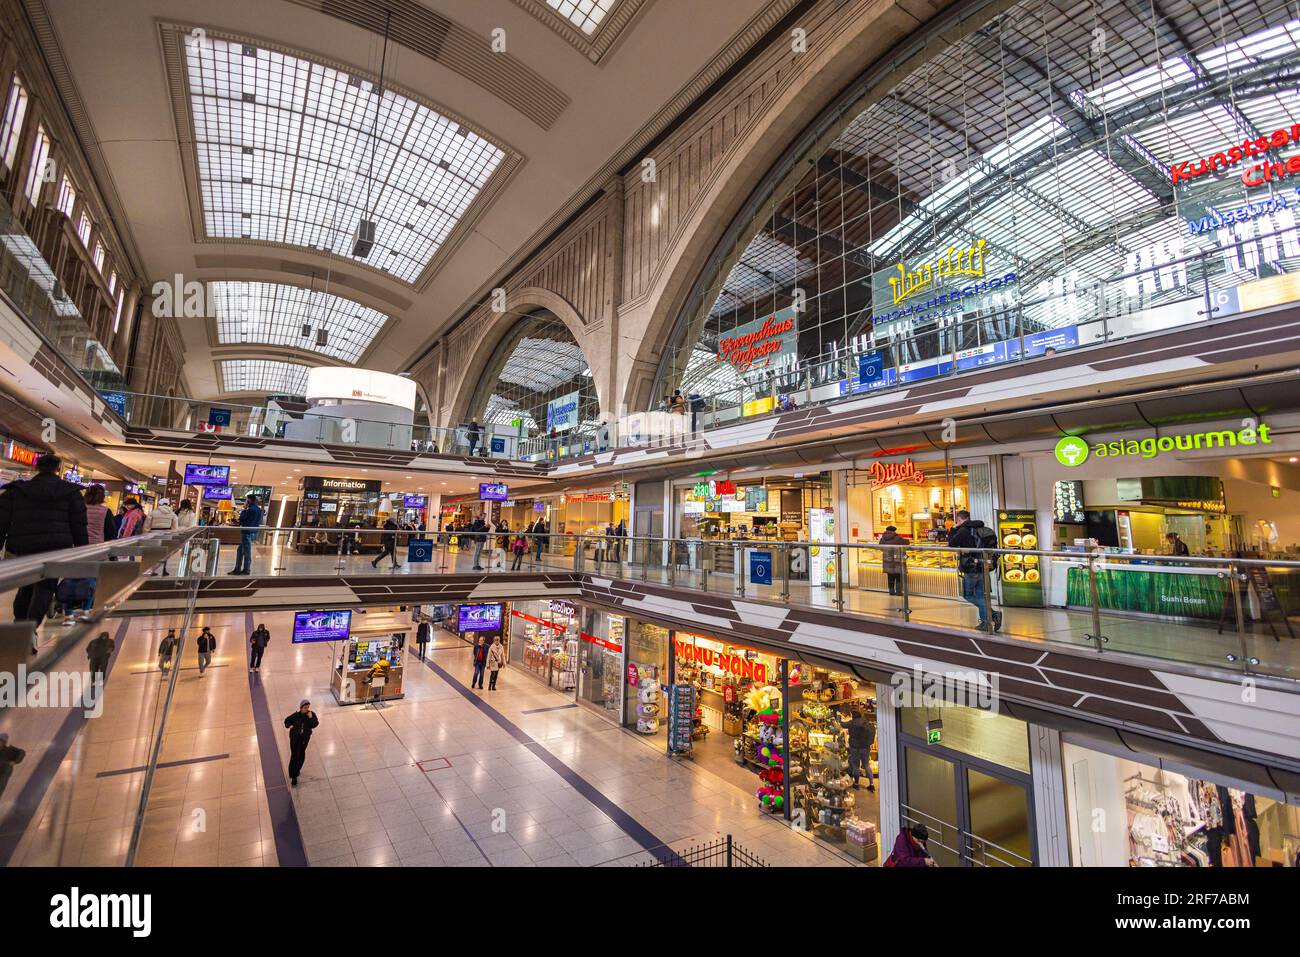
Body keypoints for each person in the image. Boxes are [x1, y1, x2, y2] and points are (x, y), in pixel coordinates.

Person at [0, 453, 88, 629]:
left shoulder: (17, 491)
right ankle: (30, 629)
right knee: (46, 586)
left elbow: (1, 521)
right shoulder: (70, 493)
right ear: (58, 469)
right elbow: (79, 525)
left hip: (24, 546)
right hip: (56, 547)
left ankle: (20, 626)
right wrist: (82, 551)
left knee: (25, 586)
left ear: (36, 468)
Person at [947, 510, 1001, 632]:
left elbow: (951, 544)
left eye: (958, 521)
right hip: (984, 567)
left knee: (968, 595)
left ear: (959, 520)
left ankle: (993, 615)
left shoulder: (963, 530)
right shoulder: (983, 529)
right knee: (982, 595)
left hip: (971, 567)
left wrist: (953, 529)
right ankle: (986, 622)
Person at [283, 699, 319, 786]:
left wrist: (311, 717)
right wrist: (290, 725)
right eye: (305, 707)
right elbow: (287, 721)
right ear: (301, 708)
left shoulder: (311, 714)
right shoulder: (296, 715)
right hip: (295, 739)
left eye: (308, 707)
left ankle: (297, 770)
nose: (306, 709)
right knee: (295, 756)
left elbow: (315, 724)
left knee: (302, 755)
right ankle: (293, 776)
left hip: (304, 740)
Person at [230, 493, 262, 575]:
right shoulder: (258, 509)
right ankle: (237, 569)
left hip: (247, 532)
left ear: (249, 500)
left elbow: (241, 519)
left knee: (246, 552)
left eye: (246, 499)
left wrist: (244, 509)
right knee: (240, 550)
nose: (245, 501)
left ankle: (246, 570)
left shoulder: (250, 509)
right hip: (252, 532)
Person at [846, 706, 877, 791]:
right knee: (866, 765)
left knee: (856, 766)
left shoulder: (853, 723)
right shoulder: (865, 722)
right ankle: (871, 784)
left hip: (855, 748)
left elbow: (844, 725)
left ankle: (856, 783)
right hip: (865, 748)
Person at [146, 497, 178, 574]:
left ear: (159, 504)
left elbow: (147, 525)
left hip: (154, 533)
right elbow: (175, 527)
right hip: (166, 534)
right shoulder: (172, 514)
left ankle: (151, 570)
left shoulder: (153, 513)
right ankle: (164, 570)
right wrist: (173, 534)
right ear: (168, 504)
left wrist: (146, 534)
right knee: (165, 552)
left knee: (153, 552)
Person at [878, 525, 906, 596]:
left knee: (890, 575)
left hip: (887, 559)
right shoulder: (898, 538)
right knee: (898, 576)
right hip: (897, 559)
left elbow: (880, 548)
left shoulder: (882, 538)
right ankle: (899, 591)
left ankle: (891, 591)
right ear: (894, 531)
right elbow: (906, 544)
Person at [0, 733, 25, 803]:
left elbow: (22, 752)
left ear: (4, 743)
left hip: (4, 774)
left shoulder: (9, 750)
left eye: (1, 741)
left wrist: (15, 761)